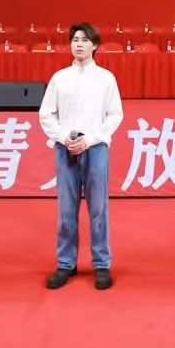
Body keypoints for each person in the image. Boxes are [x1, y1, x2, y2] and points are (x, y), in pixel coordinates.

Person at [39, 23, 123, 290]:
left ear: (95, 45)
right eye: (75, 40)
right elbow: (46, 114)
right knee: (66, 209)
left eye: (85, 40)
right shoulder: (60, 78)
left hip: (95, 147)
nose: (79, 44)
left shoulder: (106, 78)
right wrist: (64, 137)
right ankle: (65, 263)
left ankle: (101, 263)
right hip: (66, 147)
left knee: (98, 208)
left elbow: (115, 114)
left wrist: (91, 139)